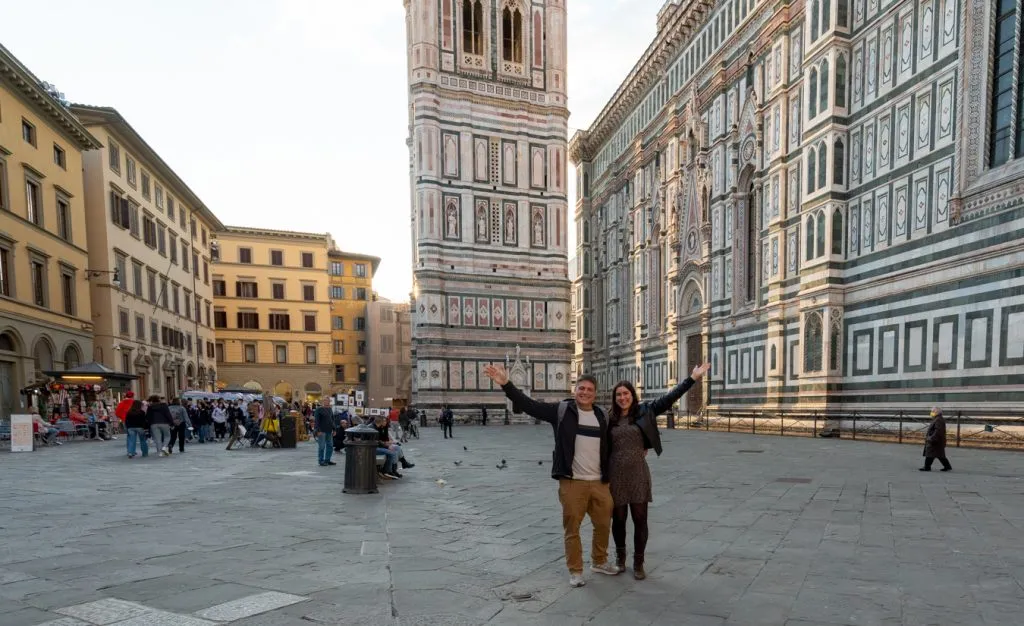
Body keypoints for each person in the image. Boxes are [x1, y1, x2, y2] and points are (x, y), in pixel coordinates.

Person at [484, 364, 618, 588]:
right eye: (581, 388)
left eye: (589, 390)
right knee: (572, 528)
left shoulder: (601, 415)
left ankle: (599, 561)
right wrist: (506, 384)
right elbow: (530, 406)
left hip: (599, 482)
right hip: (572, 482)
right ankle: (576, 570)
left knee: (604, 525)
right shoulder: (562, 411)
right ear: (575, 390)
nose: (584, 393)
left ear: (595, 394)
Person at [608, 364, 711, 580]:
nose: (622, 398)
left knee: (640, 519)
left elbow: (669, 398)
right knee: (618, 520)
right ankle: (620, 559)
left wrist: (692, 378)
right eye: (618, 395)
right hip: (615, 474)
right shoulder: (609, 418)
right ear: (614, 398)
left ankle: (638, 563)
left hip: (638, 473)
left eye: (626, 393)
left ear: (632, 395)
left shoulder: (645, 410)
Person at [921, 407, 952, 471]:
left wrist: (931, 438)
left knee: (930, 453)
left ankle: (927, 467)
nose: (931, 413)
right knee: (939, 454)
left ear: (937, 412)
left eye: (932, 411)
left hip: (935, 440)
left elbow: (938, 431)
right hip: (937, 441)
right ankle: (947, 466)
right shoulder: (937, 418)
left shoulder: (938, 420)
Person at [313, 397, 336, 466]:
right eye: (326, 400)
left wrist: (334, 429)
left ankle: (327, 460)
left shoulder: (330, 409)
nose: (327, 402)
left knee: (330, 446)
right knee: (322, 446)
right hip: (321, 431)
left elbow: (332, 420)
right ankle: (321, 461)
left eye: (328, 401)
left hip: (329, 430)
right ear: (323, 401)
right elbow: (316, 421)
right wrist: (318, 430)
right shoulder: (318, 409)